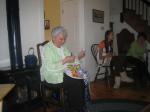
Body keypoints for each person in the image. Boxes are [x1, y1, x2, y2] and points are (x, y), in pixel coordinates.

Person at [40, 26, 86, 112]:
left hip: (64, 74)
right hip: (52, 77)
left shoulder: (64, 49)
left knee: (81, 77)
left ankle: (77, 106)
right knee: (75, 81)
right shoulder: (47, 49)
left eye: (64, 39)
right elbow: (50, 68)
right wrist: (64, 61)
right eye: (61, 39)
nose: (63, 41)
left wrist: (78, 57)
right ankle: (75, 108)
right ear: (53, 37)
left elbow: (71, 63)